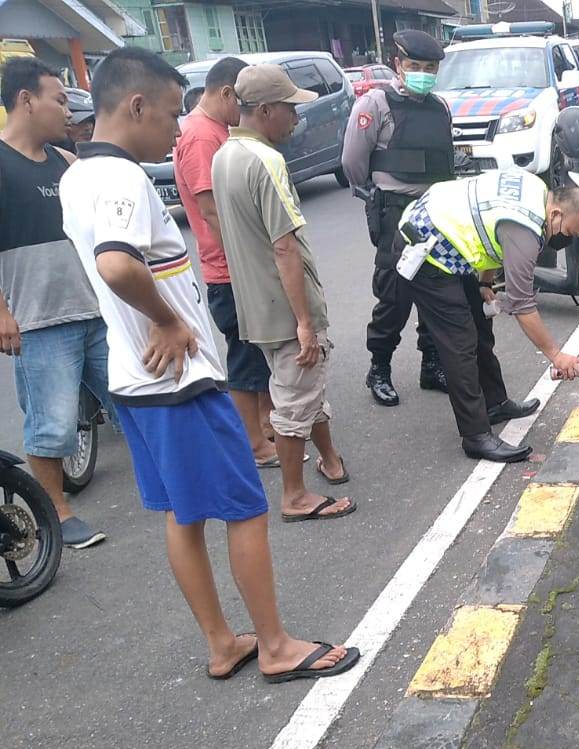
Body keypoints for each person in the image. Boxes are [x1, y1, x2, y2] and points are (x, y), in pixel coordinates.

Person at [59, 46, 360, 682]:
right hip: (177, 383)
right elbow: (117, 263)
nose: (177, 129)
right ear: (136, 105)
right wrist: (168, 320)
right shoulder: (118, 179)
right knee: (246, 508)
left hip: (134, 382)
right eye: (171, 113)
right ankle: (275, 646)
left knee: (184, 514)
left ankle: (224, 642)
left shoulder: (77, 175)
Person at [212, 64, 355, 523]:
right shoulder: (265, 161)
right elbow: (284, 246)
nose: (297, 117)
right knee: (295, 400)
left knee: (304, 390)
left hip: (256, 305)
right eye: (291, 109)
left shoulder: (225, 154)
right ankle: (295, 496)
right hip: (284, 308)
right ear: (267, 110)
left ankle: (330, 460)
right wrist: (305, 321)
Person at [394, 168, 579, 462]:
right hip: (428, 249)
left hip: (446, 235)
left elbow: (490, 236)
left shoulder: (536, 189)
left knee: (480, 325)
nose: (568, 240)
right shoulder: (526, 229)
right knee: (460, 345)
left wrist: (485, 282)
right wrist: (556, 356)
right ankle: (475, 436)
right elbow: (523, 304)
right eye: (570, 233)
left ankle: (495, 403)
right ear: (556, 214)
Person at [0, 56, 109, 549]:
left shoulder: (66, 162)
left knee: (136, 400)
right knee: (52, 424)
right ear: (26, 100)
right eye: (58, 99)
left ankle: (172, 485)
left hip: (94, 311)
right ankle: (56, 515)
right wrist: (2, 314)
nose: (67, 112)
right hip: (40, 320)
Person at [174, 56, 281, 469]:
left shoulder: (215, 130)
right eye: (244, 101)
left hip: (236, 265)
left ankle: (266, 426)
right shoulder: (202, 136)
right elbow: (211, 209)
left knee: (256, 353)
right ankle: (252, 444)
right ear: (225, 93)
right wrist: (244, 260)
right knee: (245, 357)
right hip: (229, 268)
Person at [342, 30, 452, 408]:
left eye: (429, 67)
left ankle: (432, 365)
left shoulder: (440, 107)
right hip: (396, 212)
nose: (422, 73)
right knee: (394, 295)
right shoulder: (375, 104)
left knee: (437, 290)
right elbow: (352, 163)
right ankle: (379, 368)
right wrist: (376, 196)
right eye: (414, 66)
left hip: (436, 211)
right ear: (398, 65)